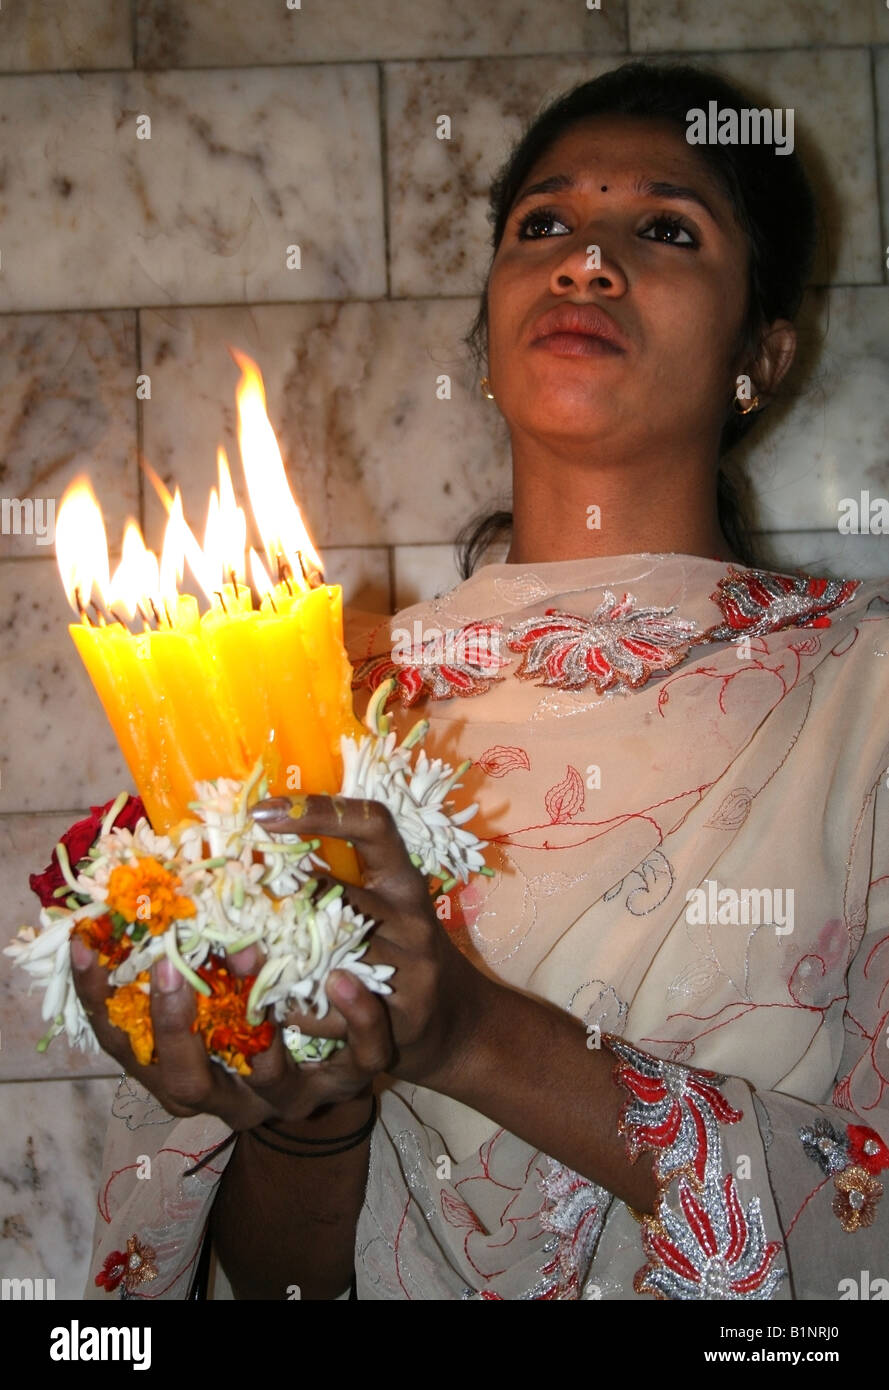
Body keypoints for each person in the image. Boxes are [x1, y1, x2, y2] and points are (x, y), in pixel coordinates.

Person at [77, 60, 889, 1301]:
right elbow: (272, 1287)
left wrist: (473, 1034)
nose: (586, 263)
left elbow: (864, 1227)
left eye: (663, 229)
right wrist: (306, 1113)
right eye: (545, 225)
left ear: (761, 356)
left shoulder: (862, 683)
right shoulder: (313, 712)